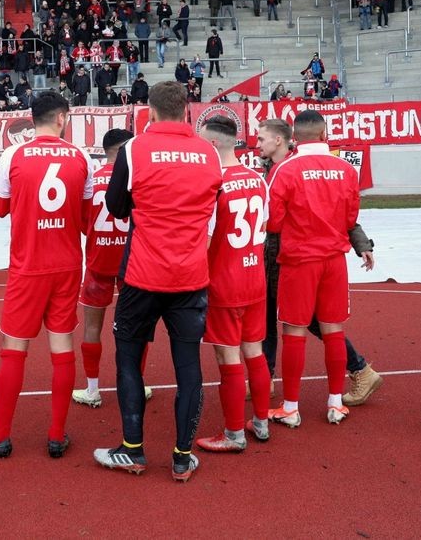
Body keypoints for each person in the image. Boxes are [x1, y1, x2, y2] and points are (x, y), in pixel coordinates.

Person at [91, 81, 221, 482]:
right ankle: (182, 457)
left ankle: (133, 449)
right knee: (188, 366)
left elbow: (115, 205)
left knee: (128, 358)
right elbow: (212, 201)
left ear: (150, 111)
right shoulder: (209, 152)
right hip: (190, 276)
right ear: (187, 111)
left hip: (143, 275)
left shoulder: (134, 149)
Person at [0, 91, 94, 459]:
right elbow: (85, 220)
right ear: (62, 119)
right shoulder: (82, 157)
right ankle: (56, 435)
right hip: (67, 264)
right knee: (62, 347)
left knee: (14, 349)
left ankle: (0, 434)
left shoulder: (12, 155)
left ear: (31, 119)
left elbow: (1, 209)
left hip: (28, 266)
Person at [256, 119, 381, 407]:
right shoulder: (343, 169)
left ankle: (355, 371)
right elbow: (347, 215)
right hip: (313, 257)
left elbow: (273, 221)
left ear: (283, 139)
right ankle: (329, 399)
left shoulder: (286, 169)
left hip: (293, 257)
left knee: (304, 325)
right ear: (324, 134)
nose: (257, 144)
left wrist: (360, 243)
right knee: (274, 321)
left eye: (261, 138)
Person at [193, 115, 272, 452]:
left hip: (224, 282)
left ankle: (234, 433)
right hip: (255, 278)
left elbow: (206, 240)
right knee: (254, 351)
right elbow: (266, 228)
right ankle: (262, 421)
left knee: (228, 358)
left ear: (211, 144)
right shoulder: (257, 178)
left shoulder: (213, 184)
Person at [73, 129, 154, 408]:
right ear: (124, 149)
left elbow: (83, 222)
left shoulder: (91, 181)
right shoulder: (137, 178)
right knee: (136, 329)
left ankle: (92, 388)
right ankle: (136, 386)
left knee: (92, 328)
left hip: (98, 261)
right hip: (132, 262)